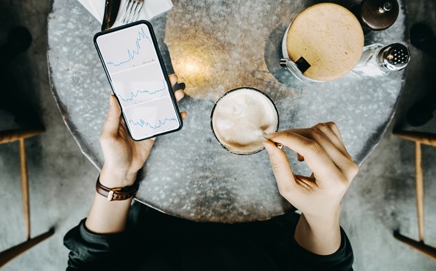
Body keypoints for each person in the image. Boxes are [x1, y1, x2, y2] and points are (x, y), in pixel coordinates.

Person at [64, 74, 357, 270]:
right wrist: (322, 214)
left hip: (153, 218)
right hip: (273, 226)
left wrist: (119, 173)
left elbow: (92, 264)